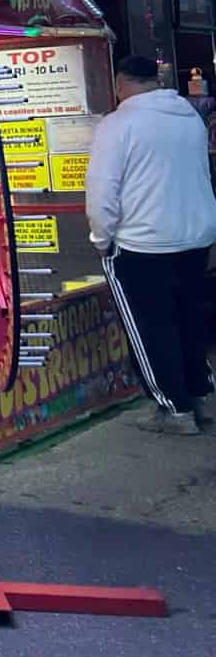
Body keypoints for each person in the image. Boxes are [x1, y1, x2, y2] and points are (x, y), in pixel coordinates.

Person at [86, 55, 216, 434]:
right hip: (195, 235)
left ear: (120, 83)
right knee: (188, 317)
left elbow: (102, 190)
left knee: (150, 327)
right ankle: (200, 394)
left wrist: (101, 238)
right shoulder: (188, 115)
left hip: (143, 242)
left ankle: (174, 409)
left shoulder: (118, 124)